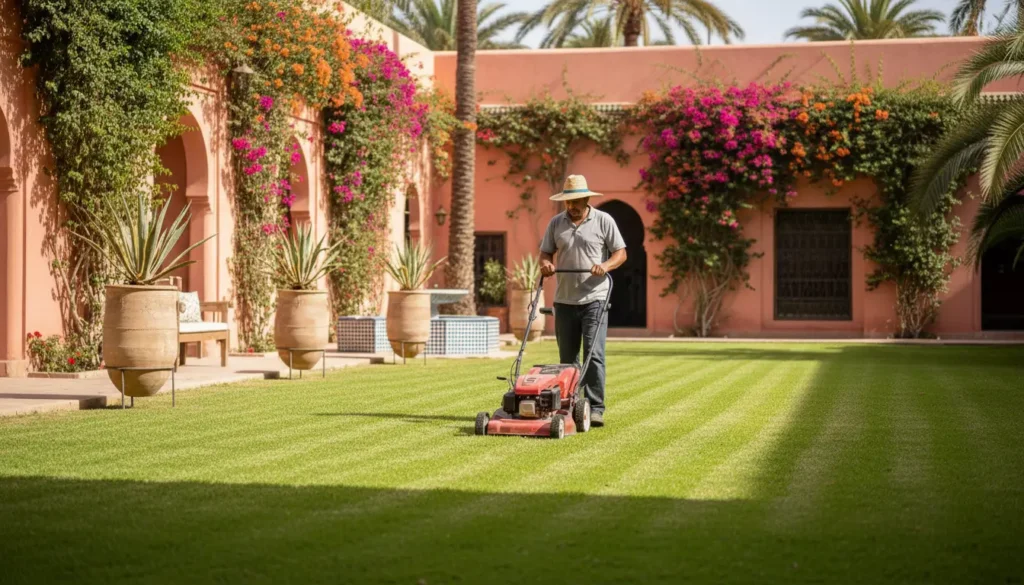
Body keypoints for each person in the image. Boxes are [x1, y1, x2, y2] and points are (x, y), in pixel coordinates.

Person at [539, 175, 627, 428]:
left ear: (587, 199)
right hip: (564, 300)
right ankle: (568, 404)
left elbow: (620, 253)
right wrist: (546, 264)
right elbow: (546, 251)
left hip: (595, 298)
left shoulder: (604, 221)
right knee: (567, 358)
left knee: (593, 354)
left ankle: (596, 407)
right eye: (568, 202)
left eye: (576, 201)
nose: (572, 206)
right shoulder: (556, 223)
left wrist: (605, 265)